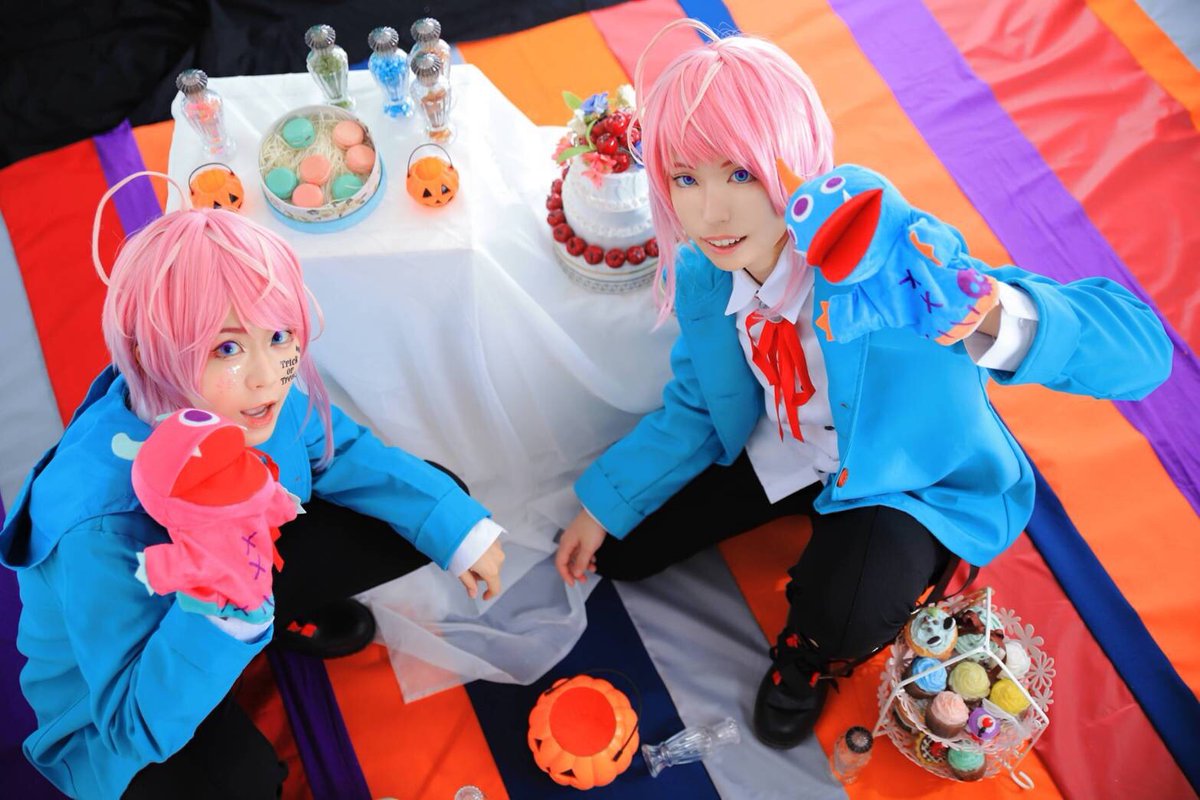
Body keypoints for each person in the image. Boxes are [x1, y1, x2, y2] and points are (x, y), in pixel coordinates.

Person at [554, 20, 1172, 750]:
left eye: (740, 173)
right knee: (624, 551)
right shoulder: (703, 274)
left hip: (897, 472)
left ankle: (812, 655)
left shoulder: (889, 262)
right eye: (685, 178)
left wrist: (997, 317)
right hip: (782, 446)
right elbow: (697, 402)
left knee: (846, 606)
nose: (709, 212)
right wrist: (604, 503)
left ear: (797, 157)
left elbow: (1145, 353)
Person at [0, 172, 507, 799]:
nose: (268, 377)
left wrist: (453, 523)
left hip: (245, 565)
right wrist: (226, 609)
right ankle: (249, 629)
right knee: (250, 782)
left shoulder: (259, 395)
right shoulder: (96, 525)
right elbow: (131, 723)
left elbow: (339, 451)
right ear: (153, 351)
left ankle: (275, 615)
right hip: (128, 700)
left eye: (278, 335)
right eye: (226, 349)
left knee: (432, 501)